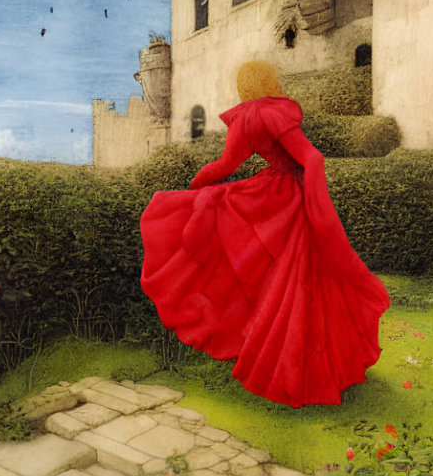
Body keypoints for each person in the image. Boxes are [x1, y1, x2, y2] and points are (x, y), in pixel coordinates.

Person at [140, 60, 390, 407]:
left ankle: (299, 373)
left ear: (245, 87)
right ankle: (321, 372)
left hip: (284, 198)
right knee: (303, 283)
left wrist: (193, 189)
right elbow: (308, 159)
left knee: (288, 282)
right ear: (269, 82)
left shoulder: (252, 117)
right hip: (292, 195)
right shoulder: (274, 112)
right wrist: (316, 198)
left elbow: (229, 166)